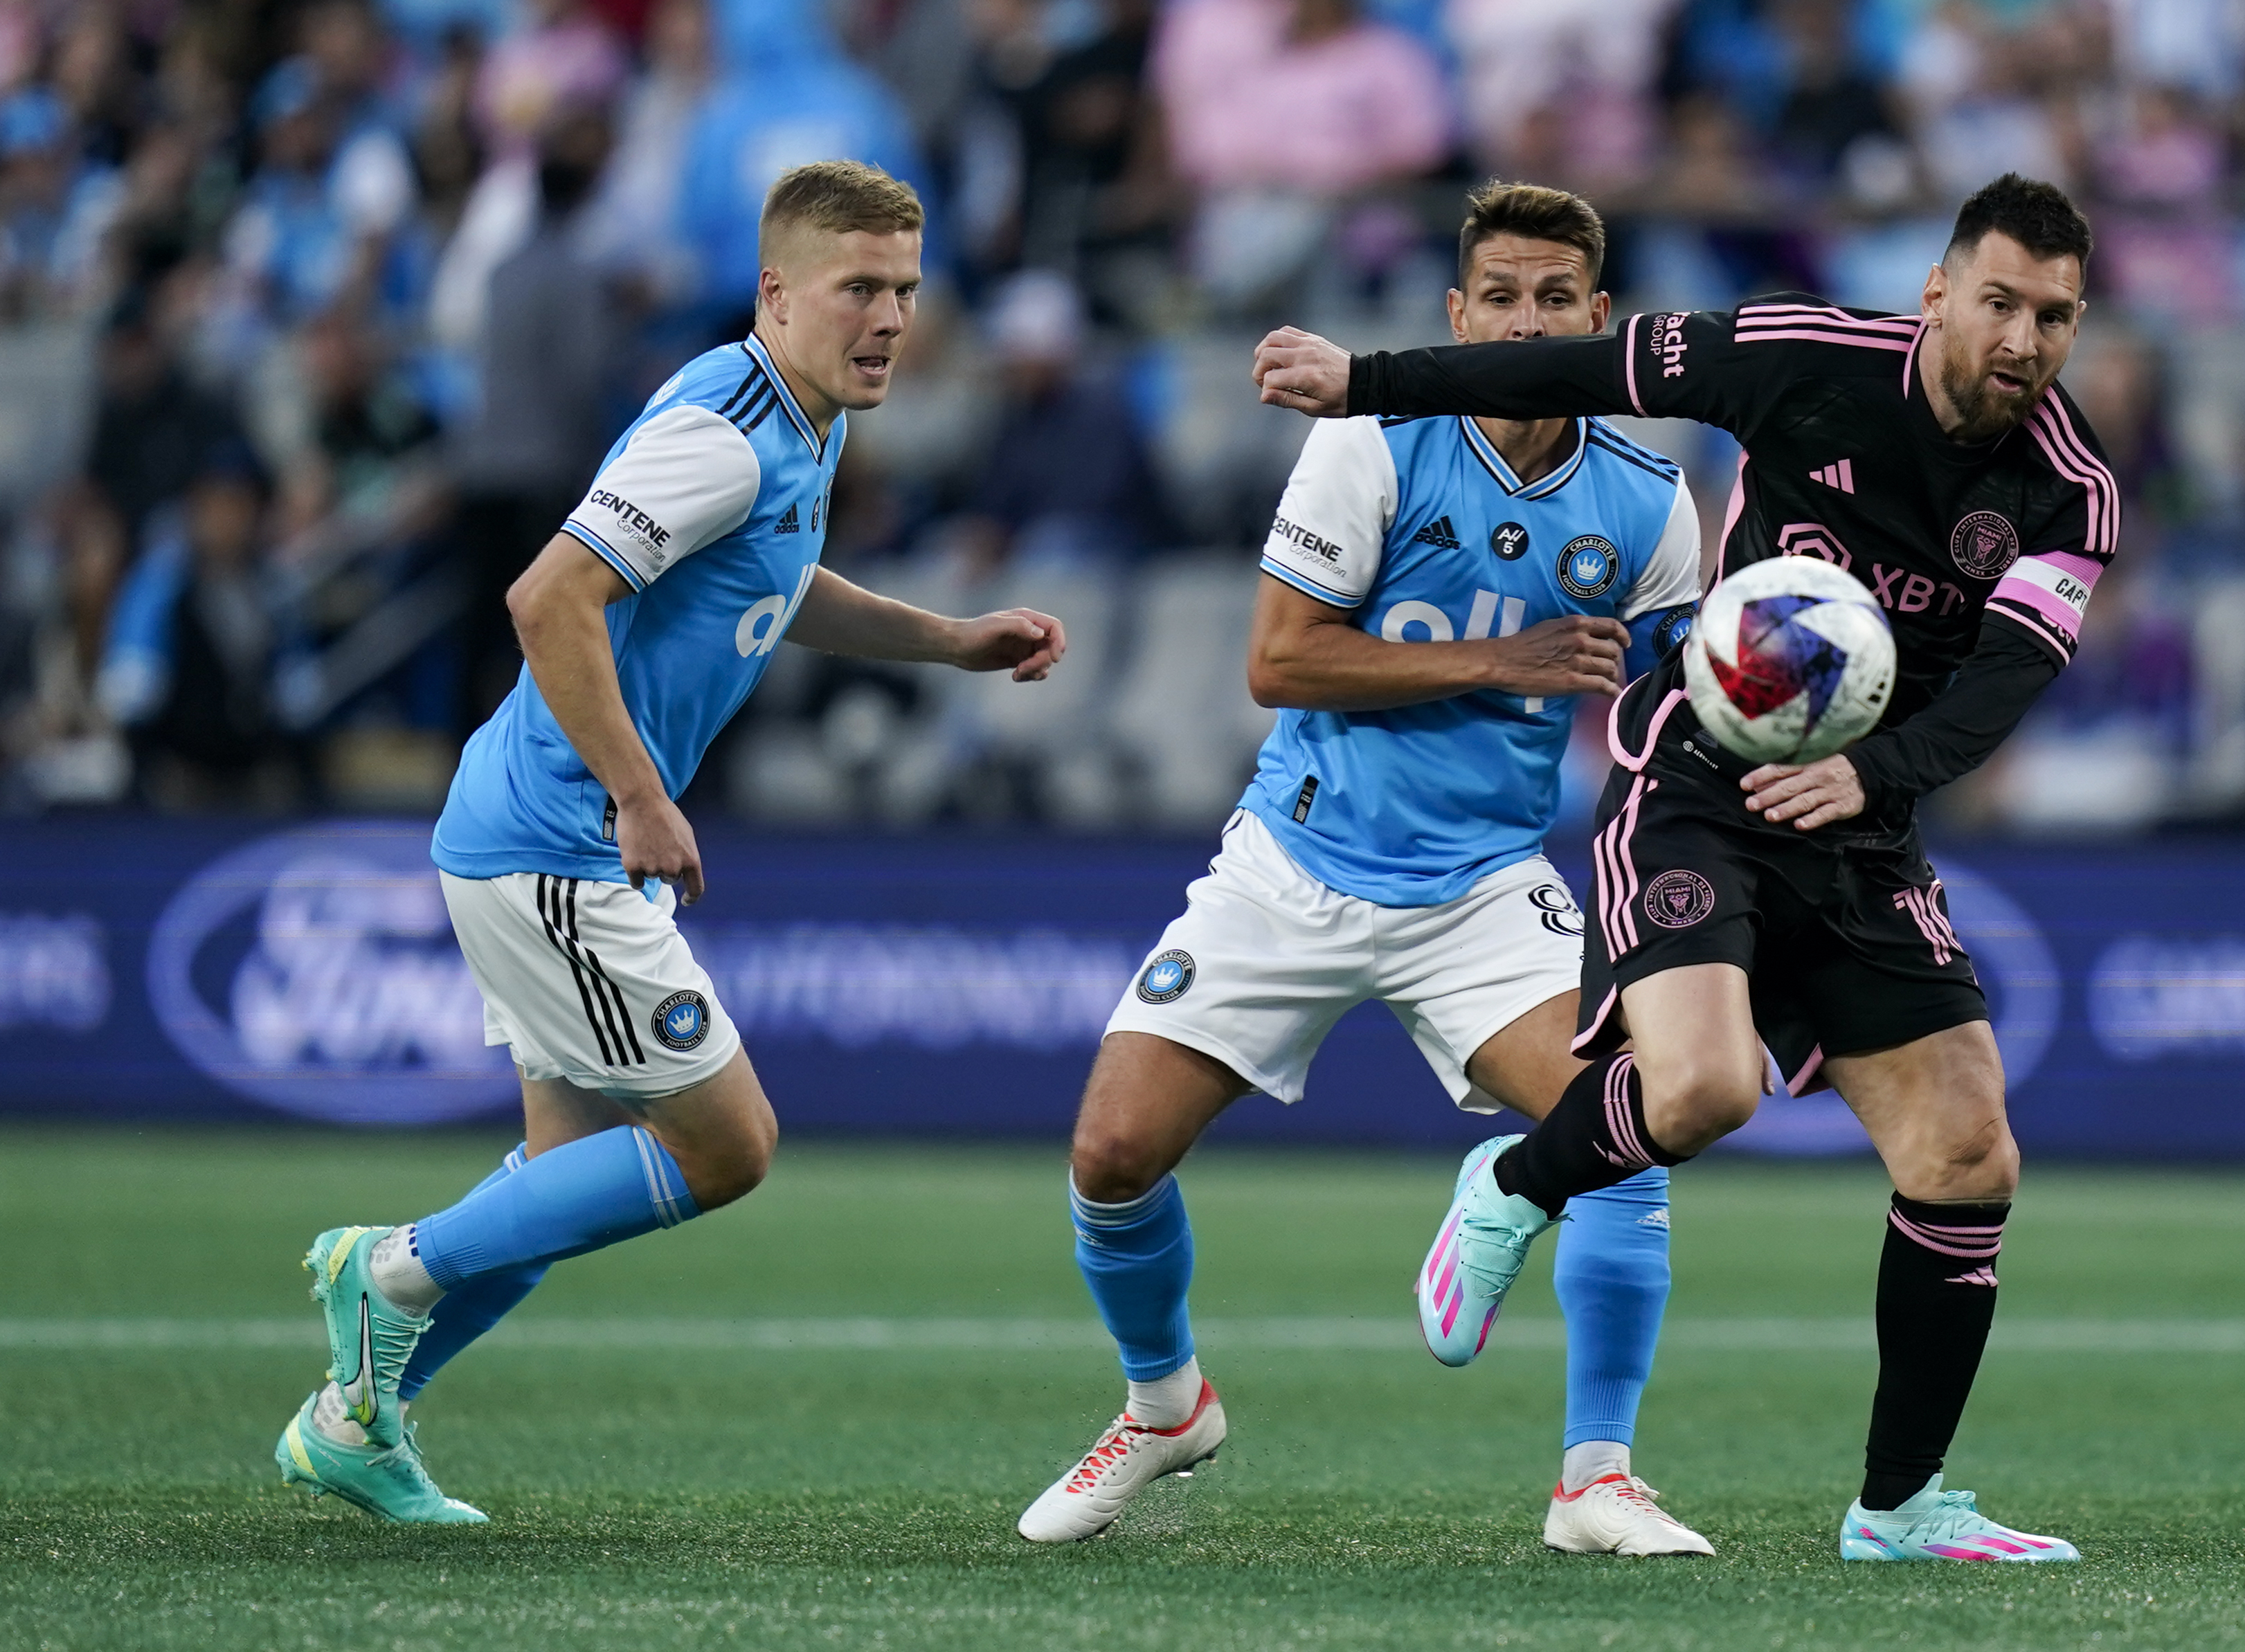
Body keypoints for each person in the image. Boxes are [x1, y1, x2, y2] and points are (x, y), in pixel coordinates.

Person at [1253, 172, 2112, 1563]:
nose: (2021, 341)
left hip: (1858, 820)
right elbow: (1577, 359)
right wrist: (1363, 382)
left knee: (1966, 1153)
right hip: (1700, 783)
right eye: (2000, 303)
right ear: (1939, 293)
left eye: (2054, 317)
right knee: (1701, 1090)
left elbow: (2000, 687)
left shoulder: (2067, 492)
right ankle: (1511, 1189)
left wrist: (1872, 777)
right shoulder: (1800, 358)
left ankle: (1895, 1511)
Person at [271, 160, 1067, 1524]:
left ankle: (357, 1418)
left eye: (905, 292)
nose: (886, 319)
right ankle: (388, 1267)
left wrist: (945, 639)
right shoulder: (727, 428)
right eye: (856, 290)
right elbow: (547, 599)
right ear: (775, 293)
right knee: (727, 1145)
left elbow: (766, 577)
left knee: (562, 1180)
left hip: (536, 834)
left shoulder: (795, 420)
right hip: (555, 844)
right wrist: (641, 794)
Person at [1018, 183, 1711, 1555]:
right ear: (1456, 317)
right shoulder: (1373, 445)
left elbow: (1678, 711)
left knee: (1627, 1130)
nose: (1525, 322)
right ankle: (1164, 1407)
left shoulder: (1647, 503)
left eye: (1552, 299)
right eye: (1497, 299)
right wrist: (1498, 661)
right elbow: (1276, 661)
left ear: (1598, 317)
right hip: (1296, 859)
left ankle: (1595, 1480)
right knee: (1109, 1151)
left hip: (1479, 888)